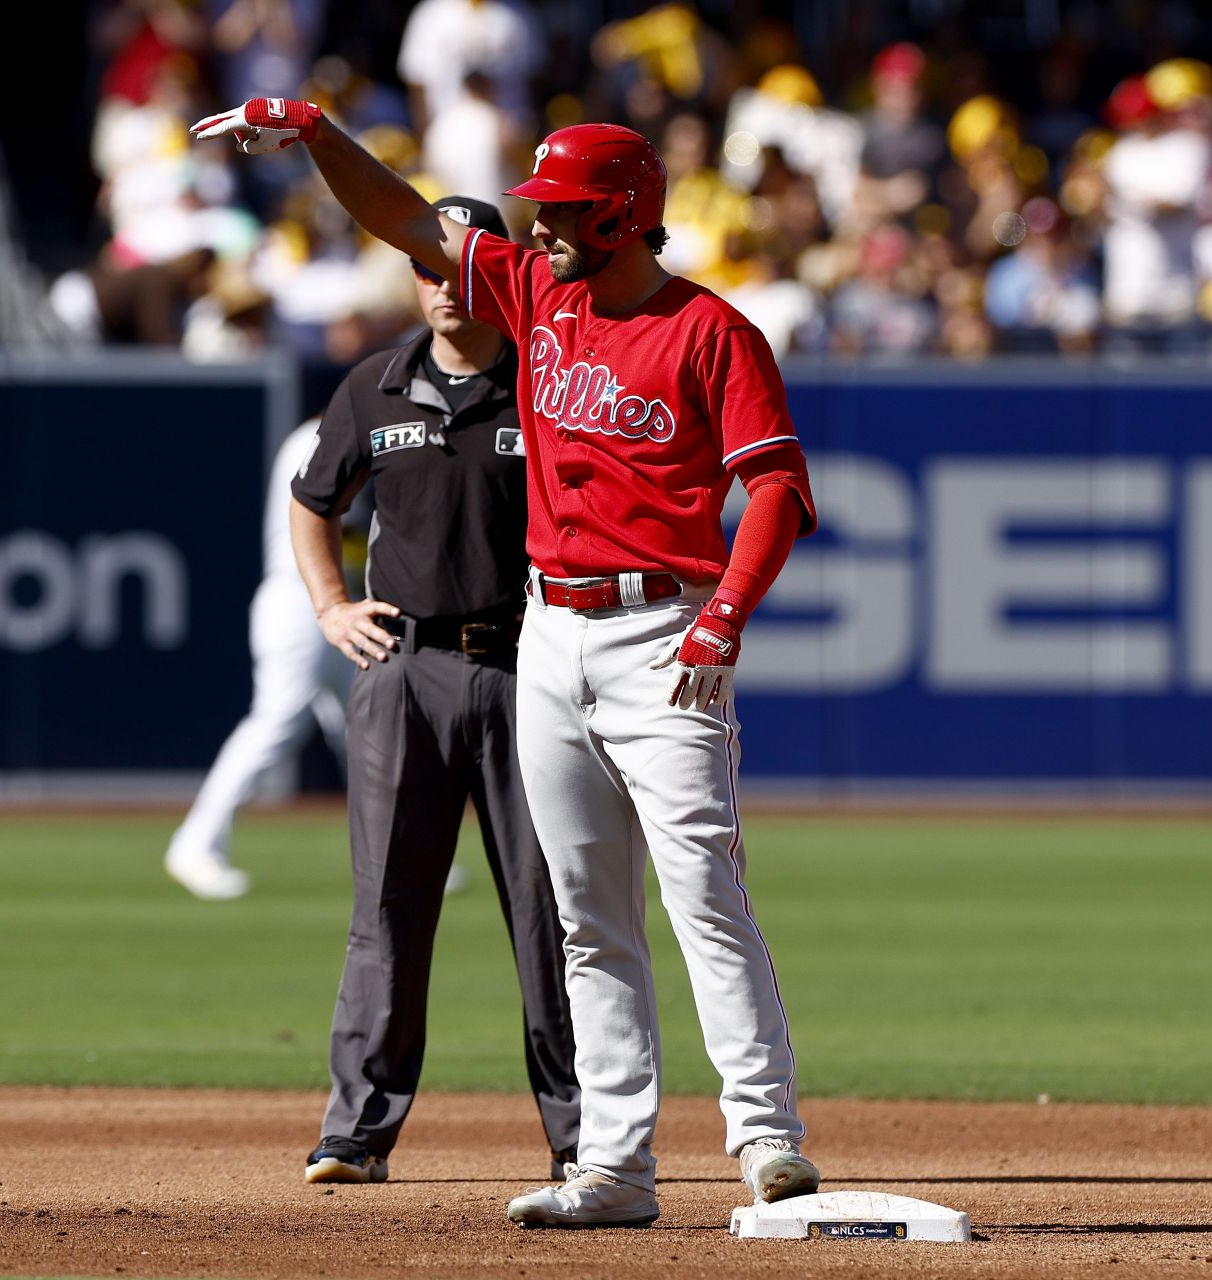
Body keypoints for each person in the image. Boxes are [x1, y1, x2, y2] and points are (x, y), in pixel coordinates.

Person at [194, 100, 819, 1227]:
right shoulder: (539, 292)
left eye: (563, 212)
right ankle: (616, 1166)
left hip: (663, 627)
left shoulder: (712, 332)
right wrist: (323, 133)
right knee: (585, 913)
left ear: (623, 217)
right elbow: (406, 223)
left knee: (703, 893)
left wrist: (726, 614)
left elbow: (776, 488)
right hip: (549, 631)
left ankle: (766, 1135)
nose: (539, 229)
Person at [285, 195, 580, 1186]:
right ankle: (356, 1130)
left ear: (496, 270)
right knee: (387, 908)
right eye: (425, 262)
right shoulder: (374, 385)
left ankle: (589, 1135)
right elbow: (311, 500)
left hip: (525, 667)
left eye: (461, 262)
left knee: (554, 910)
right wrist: (331, 604)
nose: (445, 281)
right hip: (401, 670)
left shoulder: (549, 383)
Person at [164, 416, 349, 900]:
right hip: (302, 598)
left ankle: (405, 851)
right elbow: (336, 519)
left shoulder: (345, 427)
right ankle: (195, 844)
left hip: (342, 600)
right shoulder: (325, 434)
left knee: (367, 732)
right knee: (277, 722)